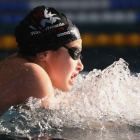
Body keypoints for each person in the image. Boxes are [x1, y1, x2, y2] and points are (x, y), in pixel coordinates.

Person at [0, 6, 83, 116]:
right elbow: (50, 131)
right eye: (75, 53)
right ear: (43, 54)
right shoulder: (32, 74)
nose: (80, 66)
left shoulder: (17, 63)